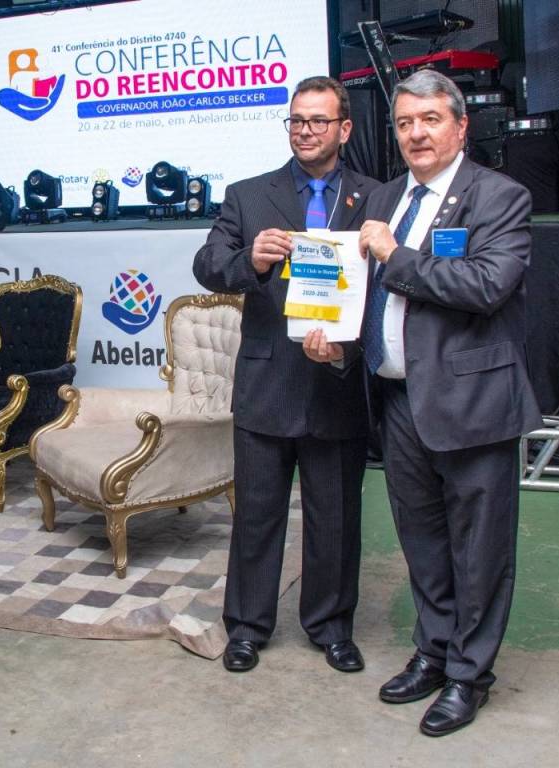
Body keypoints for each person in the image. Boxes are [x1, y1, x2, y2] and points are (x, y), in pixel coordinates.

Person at [353, 69, 542, 736]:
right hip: (400, 400)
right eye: (404, 123)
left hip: (474, 402)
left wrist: (394, 255)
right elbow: (361, 289)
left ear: (460, 127)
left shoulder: (500, 196)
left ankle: (469, 675)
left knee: (479, 550)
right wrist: (333, 335)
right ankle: (434, 652)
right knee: (423, 542)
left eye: (430, 119)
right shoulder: (386, 197)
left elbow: (486, 285)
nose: (416, 134)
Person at [193, 76, 379, 674]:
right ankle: (247, 627)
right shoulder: (249, 196)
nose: (305, 130)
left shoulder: (377, 198)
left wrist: (348, 349)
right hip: (268, 383)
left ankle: (331, 627)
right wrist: (248, 260)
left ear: (344, 129)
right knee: (257, 516)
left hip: (337, 382)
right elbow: (207, 264)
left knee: (336, 519)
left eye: (318, 121)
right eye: (296, 120)